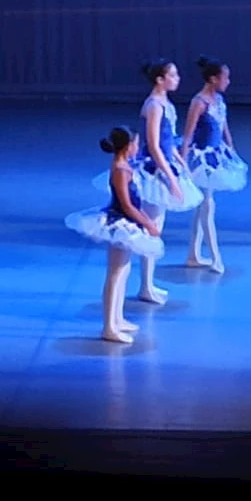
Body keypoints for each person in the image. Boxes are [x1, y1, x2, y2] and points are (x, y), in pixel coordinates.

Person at [94, 59, 203, 304]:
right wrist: (171, 178)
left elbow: (168, 141)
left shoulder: (166, 104)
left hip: (165, 165)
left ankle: (148, 283)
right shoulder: (154, 105)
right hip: (153, 170)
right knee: (151, 226)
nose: (177, 79)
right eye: (173, 75)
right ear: (160, 80)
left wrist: (181, 165)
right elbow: (153, 145)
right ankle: (145, 286)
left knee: (157, 225)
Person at [66, 127, 165, 344]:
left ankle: (117, 318)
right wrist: (148, 223)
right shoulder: (120, 170)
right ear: (128, 146)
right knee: (116, 273)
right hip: (119, 223)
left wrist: (144, 221)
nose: (138, 147)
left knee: (123, 270)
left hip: (127, 222)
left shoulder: (125, 166)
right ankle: (109, 326)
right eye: (136, 143)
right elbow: (127, 205)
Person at [181, 55, 248, 274]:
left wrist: (231, 148)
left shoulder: (219, 100)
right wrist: (183, 163)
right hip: (201, 160)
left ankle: (193, 254)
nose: (228, 81)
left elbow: (223, 127)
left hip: (216, 156)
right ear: (213, 79)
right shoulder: (199, 102)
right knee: (207, 205)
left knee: (203, 206)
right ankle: (215, 257)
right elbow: (188, 135)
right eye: (225, 78)